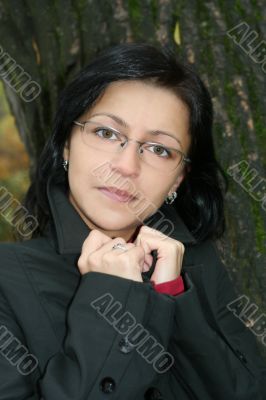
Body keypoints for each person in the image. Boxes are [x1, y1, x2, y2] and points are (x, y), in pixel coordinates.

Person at [0, 42, 265, 400]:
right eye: (107, 133)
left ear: (178, 178)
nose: (127, 166)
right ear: (66, 143)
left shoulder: (195, 267)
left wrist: (172, 298)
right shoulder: (8, 279)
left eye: (159, 149)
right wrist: (115, 296)